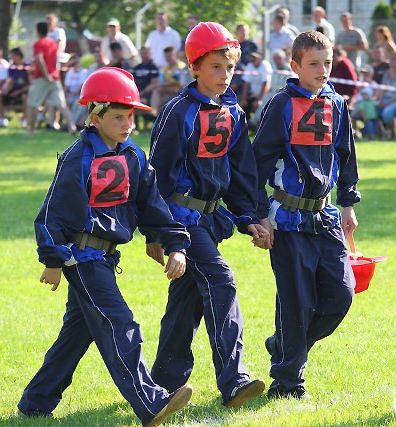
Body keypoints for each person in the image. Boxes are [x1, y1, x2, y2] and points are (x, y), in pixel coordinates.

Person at [17, 67, 193, 425]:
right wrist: (53, 258)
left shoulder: (134, 157)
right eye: (117, 116)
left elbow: (153, 207)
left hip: (106, 257)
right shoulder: (77, 157)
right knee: (120, 323)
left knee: (76, 334)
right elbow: (54, 211)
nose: (127, 123)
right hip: (81, 259)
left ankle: (35, 402)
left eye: (130, 115)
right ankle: (151, 402)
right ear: (94, 117)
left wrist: (175, 245)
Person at [146, 22, 268, 408]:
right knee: (221, 281)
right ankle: (234, 381)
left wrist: (251, 216)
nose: (224, 75)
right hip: (181, 220)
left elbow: (241, 169)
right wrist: (157, 231)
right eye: (215, 67)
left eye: (229, 67)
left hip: (212, 220)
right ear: (194, 67)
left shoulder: (232, 108)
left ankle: (163, 382)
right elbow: (157, 175)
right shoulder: (177, 112)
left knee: (187, 299)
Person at [252, 30, 359, 399]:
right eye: (314, 64)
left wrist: (347, 205)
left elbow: (346, 156)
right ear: (295, 66)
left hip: (325, 217)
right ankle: (287, 384)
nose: (323, 70)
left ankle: (283, 344)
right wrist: (258, 215)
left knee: (342, 295)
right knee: (297, 303)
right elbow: (258, 162)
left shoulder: (337, 104)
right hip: (288, 220)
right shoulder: (281, 104)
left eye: (327, 63)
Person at [26, 22, 76, 136]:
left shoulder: (38, 43)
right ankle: (71, 127)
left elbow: (39, 59)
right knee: (61, 104)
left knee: (32, 103)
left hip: (42, 78)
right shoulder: (53, 43)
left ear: (38, 31)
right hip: (55, 77)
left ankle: (30, 131)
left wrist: (46, 75)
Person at [250, 49, 293, 127]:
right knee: (265, 100)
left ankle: (257, 122)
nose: (277, 61)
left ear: (283, 58)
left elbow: (291, 84)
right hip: (273, 94)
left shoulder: (289, 70)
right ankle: (256, 122)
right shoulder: (274, 69)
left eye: (279, 58)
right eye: (275, 59)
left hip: (285, 95)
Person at [0, 47, 30, 128]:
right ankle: (2, 119)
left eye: (12, 56)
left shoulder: (27, 66)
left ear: (18, 56)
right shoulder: (12, 67)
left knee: (25, 97)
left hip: (24, 91)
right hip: (13, 90)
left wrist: (19, 91)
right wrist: (6, 89)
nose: (11, 58)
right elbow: (11, 81)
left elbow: (31, 84)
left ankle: (25, 119)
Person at [148, 46, 185, 116]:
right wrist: (159, 85)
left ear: (175, 55)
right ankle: (154, 111)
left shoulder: (181, 67)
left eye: (170, 55)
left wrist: (159, 85)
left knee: (160, 97)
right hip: (167, 91)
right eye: (166, 56)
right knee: (157, 90)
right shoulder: (165, 68)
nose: (168, 58)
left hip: (179, 92)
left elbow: (174, 81)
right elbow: (161, 81)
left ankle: (155, 112)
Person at [132, 46, 159, 132]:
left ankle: (153, 123)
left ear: (149, 54)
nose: (144, 55)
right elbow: (133, 82)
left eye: (145, 53)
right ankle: (136, 127)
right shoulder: (137, 68)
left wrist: (142, 93)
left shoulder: (153, 67)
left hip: (148, 94)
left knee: (143, 104)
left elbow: (154, 83)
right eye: (142, 53)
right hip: (137, 93)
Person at [240, 51, 272, 122]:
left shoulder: (265, 65)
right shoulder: (249, 65)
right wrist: (244, 99)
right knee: (244, 106)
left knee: (261, 109)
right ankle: (247, 126)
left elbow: (266, 83)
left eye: (254, 57)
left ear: (260, 58)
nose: (252, 59)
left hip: (266, 95)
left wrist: (260, 99)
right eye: (251, 57)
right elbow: (246, 83)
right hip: (253, 95)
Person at [350, 64, 378, 139]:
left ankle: (371, 134)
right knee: (353, 115)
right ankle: (355, 133)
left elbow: (375, 95)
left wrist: (371, 101)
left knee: (367, 115)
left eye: (367, 73)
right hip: (358, 104)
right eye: (364, 73)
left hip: (369, 105)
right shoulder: (360, 83)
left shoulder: (373, 84)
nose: (365, 75)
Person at [63, 54, 89, 129]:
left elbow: (81, 87)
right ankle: (68, 124)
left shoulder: (83, 72)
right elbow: (66, 86)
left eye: (76, 63)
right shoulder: (70, 73)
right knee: (65, 104)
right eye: (73, 64)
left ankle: (73, 124)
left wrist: (70, 94)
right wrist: (65, 95)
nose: (75, 66)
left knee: (77, 105)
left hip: (80, 96)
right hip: (70, 96)